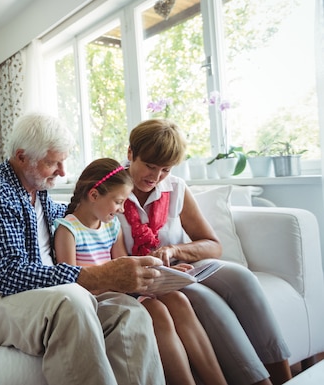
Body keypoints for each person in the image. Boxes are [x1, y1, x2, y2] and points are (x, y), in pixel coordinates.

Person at [0, 113, 165, 385]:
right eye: (53, 163)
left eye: (63, 161)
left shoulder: (37, 189)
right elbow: (10, 275)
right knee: (71, 303)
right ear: (21, 156)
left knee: (128, 311)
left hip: (41, 292)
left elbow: (71, 215)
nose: (63, 172)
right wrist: (97, 276)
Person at [117, 118, 292, 385]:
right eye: (149, 167)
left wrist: (175, 249)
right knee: (205, 300)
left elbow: (213, 245)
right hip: (150, 278)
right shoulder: (111, 189)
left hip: (180, 266)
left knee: (243, 278)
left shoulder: (175, 187)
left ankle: (286, 378)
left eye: (165, 169)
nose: (155, 177)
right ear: (130, 154)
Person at [54, 158, 228, 385]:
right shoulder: (68, 229)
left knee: (175, 300)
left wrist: (164, 271)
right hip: (98, 297)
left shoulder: (111, 226)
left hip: (120, 290)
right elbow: (72, 279)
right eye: (118, 202)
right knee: (157, 311)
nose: (121, 209)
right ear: (94, 195)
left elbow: (125, 263)